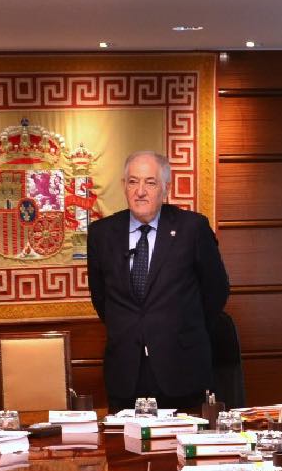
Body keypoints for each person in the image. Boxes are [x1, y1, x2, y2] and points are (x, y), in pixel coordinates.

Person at [87, 150, 230, 412]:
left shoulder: (192, 228)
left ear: (165, 188)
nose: (140, 191)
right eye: (133, 181)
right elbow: (101, 299)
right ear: (123, 186)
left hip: (182, 368)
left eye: (150, 182)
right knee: (125, 451)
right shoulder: (101, 234)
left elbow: (216, 291)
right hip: (125, 373)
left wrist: (180, 328)